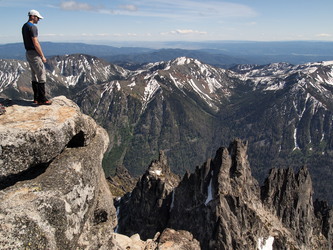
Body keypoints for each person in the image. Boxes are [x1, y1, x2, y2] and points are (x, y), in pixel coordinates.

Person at [22, 9, 52, 105]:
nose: (38, 20)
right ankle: (42, 99)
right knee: (41, 75)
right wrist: (42, 56)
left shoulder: (24, 26)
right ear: (33, 16)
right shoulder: (33, 27)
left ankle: (36, 98)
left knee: (34, 75)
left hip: (28, 53)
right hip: (34, 54)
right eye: (37, 18)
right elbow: (35, 43)